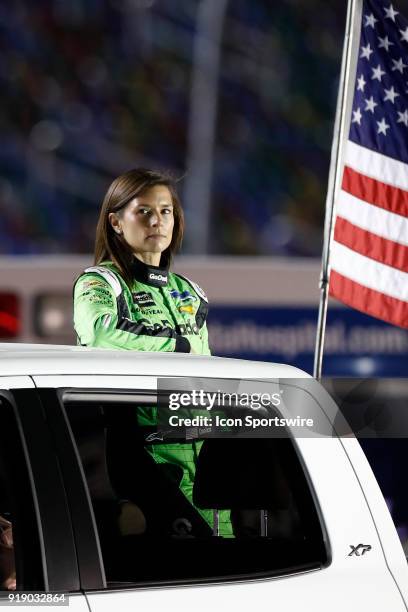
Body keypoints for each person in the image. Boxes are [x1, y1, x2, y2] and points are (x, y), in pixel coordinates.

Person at [73, 168, 231, 536]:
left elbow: (204, 368)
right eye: (143, 211)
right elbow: (100, 334)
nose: (156, 221)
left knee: (225, 556)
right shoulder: (100, 281)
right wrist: (175, 345)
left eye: (165, 211)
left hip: (203, 451)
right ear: (115, 222)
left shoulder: (190, 291)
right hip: (141, 450)